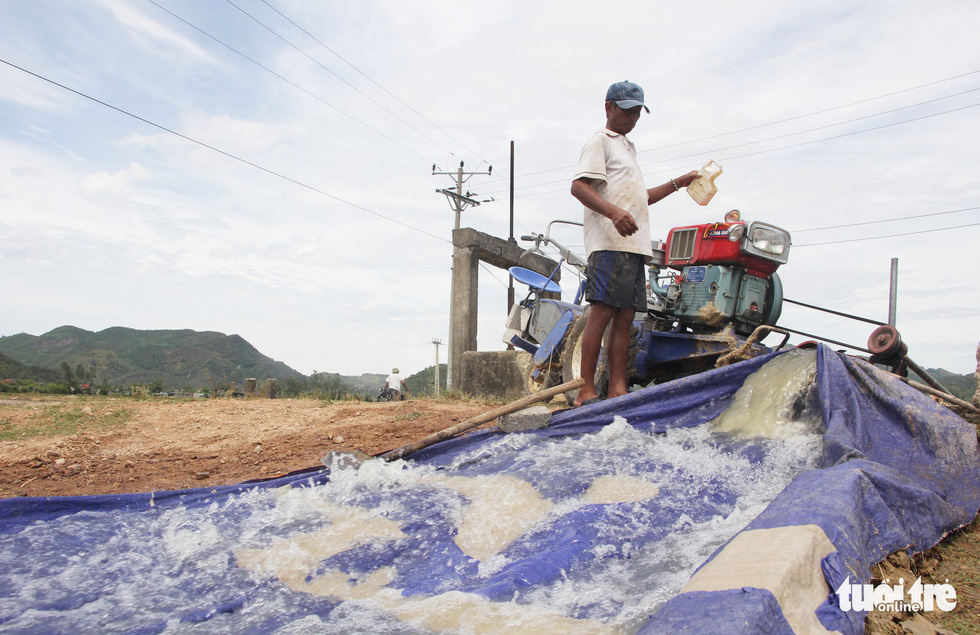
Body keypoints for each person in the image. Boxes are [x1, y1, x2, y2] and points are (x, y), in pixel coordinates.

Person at [570, 80, 699, 406]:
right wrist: (613, 213)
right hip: (609, 242)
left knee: (626, 319)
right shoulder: (601, 141)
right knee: (601, 314)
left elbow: (641, 198)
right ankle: (585, 388)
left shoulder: (629, 148)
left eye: (637, 112)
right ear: (609, 107)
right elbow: (579, 187)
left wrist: (677, 183)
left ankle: (618, 389)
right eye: (626, 111)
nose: (632, 118)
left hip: (633, 246)